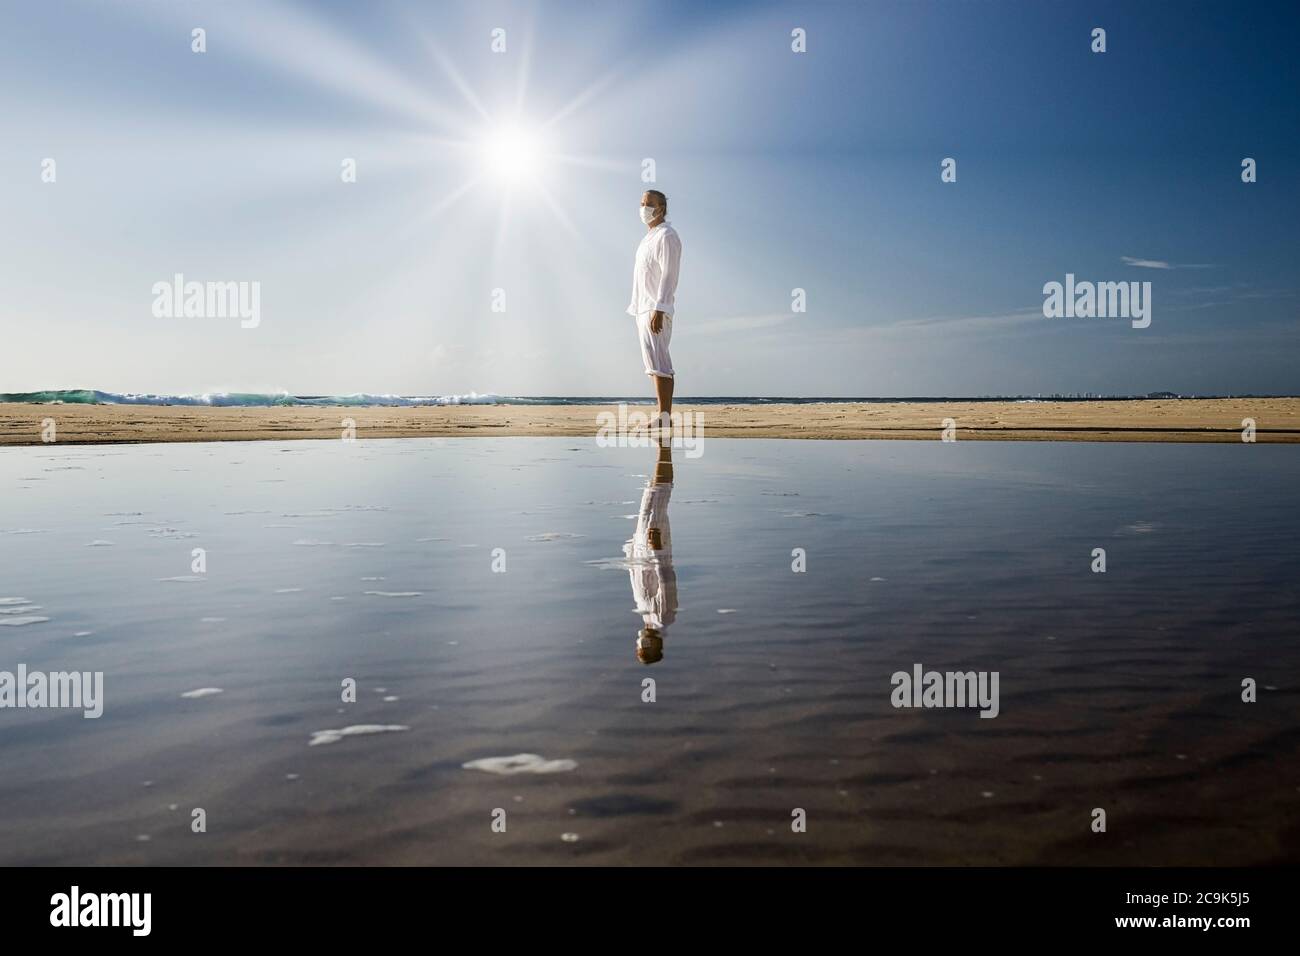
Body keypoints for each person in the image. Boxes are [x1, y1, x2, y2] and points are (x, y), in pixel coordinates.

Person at [626, 190, 682, 428]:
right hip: (642, 307)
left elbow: (669, 274)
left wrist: (659, 308)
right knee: (651, 363)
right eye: (641, 203)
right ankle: (662, 415)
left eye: (649, 204)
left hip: (656, 308)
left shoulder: (667, 235)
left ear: (661, 208)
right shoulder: (647, 238)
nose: (644, 208)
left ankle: (664, 416)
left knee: (660, 362)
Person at [625, 444, 677, 664]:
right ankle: (664, 447)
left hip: (642, 547)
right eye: (647, 648)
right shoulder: (664, 618)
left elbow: (637, 581)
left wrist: (631, 546)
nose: (642, 643)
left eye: (640, 647)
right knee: (659, 496)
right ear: (657, 646)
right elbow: (666, 578)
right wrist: (657, 549)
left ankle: (664, 446)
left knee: (651, 495)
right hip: (655, 548)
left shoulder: (647, 619)